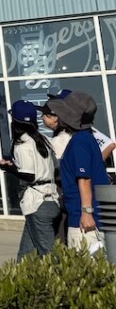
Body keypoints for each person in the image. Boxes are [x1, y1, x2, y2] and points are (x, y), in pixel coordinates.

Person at [0, 100, 60, 260]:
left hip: (37, 203)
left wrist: (8, 168)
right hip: (51, 198)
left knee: (48, 253)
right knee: (26, 254)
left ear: (15, 122)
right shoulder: (43, 140)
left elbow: (29, 175)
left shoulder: (22, 144)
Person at [49, 91, 109, 253]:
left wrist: (86, 212)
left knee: (84, 271)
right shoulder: (87, 137)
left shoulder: (79, 142)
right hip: (91, 216)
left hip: (83, 220)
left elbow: (84, 179)